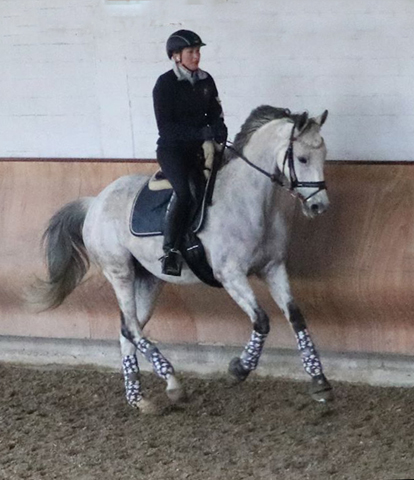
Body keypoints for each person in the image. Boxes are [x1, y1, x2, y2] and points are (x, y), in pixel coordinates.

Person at [153, 29, 227, 276]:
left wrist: (218, 133)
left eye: (198, 51)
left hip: (202, 148)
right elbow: (167, 128)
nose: (196, 56)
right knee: (185, 193)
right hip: (173, 151)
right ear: (176, 56)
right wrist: (202, 134)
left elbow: (216, 115)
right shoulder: (165, 84)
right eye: (191, 52)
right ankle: (170, 250)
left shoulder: (207, 80)